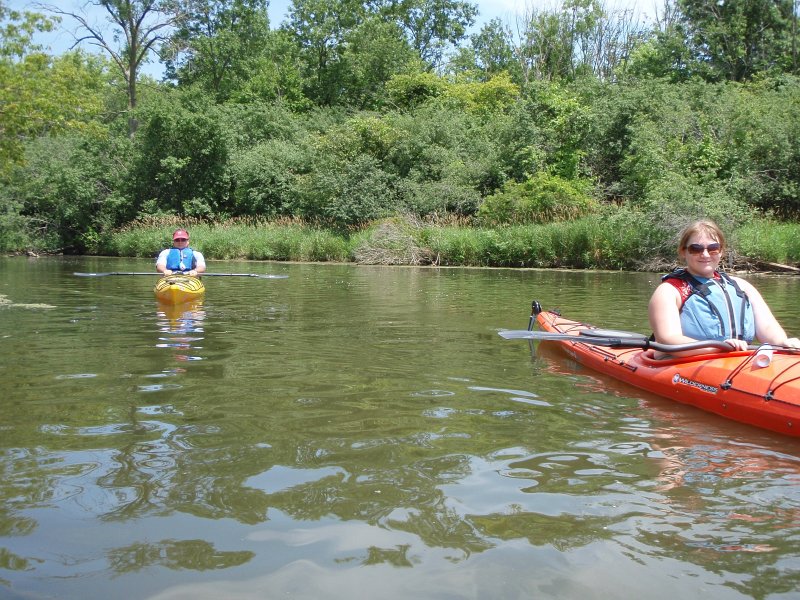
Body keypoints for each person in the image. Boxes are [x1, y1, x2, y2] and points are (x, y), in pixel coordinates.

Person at [649, 219, 800, 356]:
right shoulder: (670, 291)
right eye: (696, 249)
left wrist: (783, 343)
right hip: (683, 363)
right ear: (683, 252)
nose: (705, 254)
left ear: (721, 252)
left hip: (737, 360)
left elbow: (767, 327)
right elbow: (668, 338)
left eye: (713, 248)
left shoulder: (742, 286)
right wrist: (718, 347)